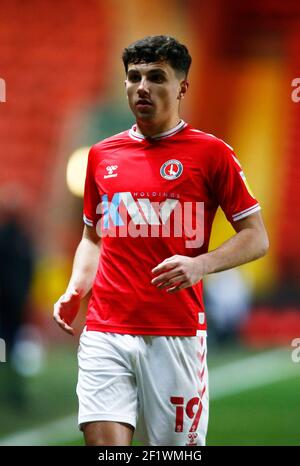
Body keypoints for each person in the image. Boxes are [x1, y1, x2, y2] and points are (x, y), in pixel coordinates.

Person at [53, 35, 269, 446]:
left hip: (175, 334)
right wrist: (76, 287)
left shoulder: (212, 154)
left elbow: (257, 237)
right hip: (105, 329)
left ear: (182, 86)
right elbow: (92, 238)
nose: (142, 87)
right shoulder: (101, 155)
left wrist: (200, 264)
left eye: (156, 77)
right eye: (133, 77)